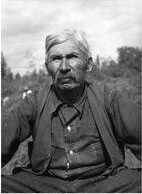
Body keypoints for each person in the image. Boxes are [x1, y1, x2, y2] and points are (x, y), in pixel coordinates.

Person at [2, 29, 141, 193]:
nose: (64, 67)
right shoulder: (33, 103)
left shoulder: (110, 100)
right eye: (56, 59)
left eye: (72, 57)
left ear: (88, 64)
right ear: (47, 68)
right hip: (44, 185)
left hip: (104, 184)